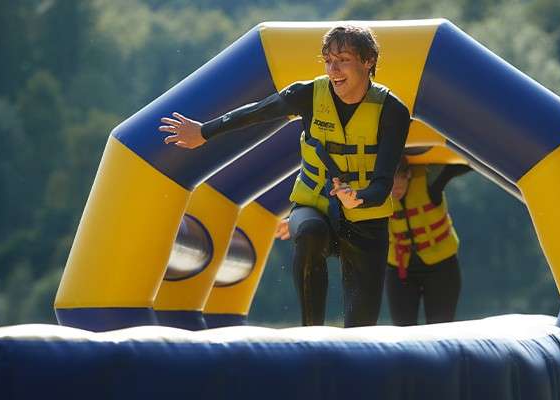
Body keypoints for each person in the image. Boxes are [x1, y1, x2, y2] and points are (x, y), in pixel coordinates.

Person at [159, 25, 410, 327]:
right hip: (315, 206)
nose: (333, 69)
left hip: (366, 218)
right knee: (307, 232)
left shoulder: (392, 111)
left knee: (362, 327)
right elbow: (258, 112)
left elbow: (383, 182)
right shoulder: (308, 94)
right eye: (328, 60)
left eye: (342, 59)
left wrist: (359, 198)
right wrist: (204, 131)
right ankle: (310, 332)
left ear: (368, 61)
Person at [385, 156, 471, 326]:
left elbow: (466, 162)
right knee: (403, 332)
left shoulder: (430, 179)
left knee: (441, 330)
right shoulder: (374, 187)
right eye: (390, 184)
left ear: (408, 174)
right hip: (400, 269)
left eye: (400, 181)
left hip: (441, 267)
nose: (396, 189)